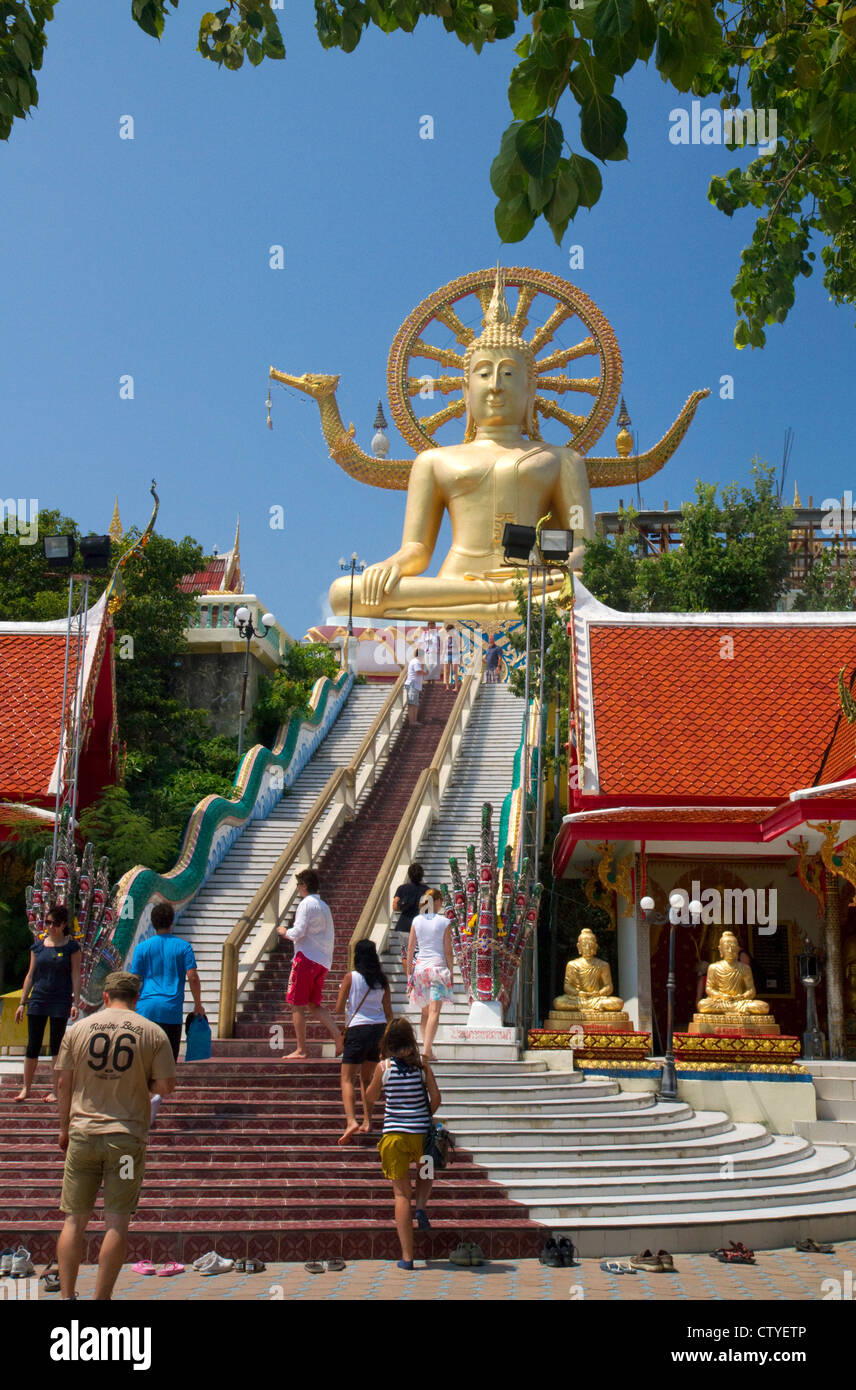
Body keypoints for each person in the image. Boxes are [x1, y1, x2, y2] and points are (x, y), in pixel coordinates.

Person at [54, 970, 176, 1301]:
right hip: (125, 1140)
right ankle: (102, 1298)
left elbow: (63, 1082)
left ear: (105, 996)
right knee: (116, 1222)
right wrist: (141, 1084)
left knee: (73, 1222)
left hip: (82, 1135)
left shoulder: (77, 1030)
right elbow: (165, 1086)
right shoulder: (152, 1033)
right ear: (137, 999)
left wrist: (64, 1127)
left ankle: (66, 1296)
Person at [365, 1017, 442, 1270]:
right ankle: (421, 1207)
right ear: (410, 1041)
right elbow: (437, 1098)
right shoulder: (422, 1067)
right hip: (421, 1134)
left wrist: (363, 1086)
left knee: (400, 1193)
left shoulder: (384, 1067)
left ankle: (408, 1258)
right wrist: (424, 1115)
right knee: (426, 1171)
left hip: (394, 1137)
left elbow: (372, 1097)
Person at [14, 905, 81, 1104]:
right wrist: (22, 1003)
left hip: (60, 999)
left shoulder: (72, 948)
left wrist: (75, 1002)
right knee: (33, 1044)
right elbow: (30, 975)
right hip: (38, 999)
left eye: (55, 923)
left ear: (63, 925)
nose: (51, 927)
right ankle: (26, 1087)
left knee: (56, 1046)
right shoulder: (38, 946)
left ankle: (56, 1089)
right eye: (48, 922)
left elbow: (75, 975)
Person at [277, 868, 344, 1060]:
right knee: (313, 1004)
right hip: (322, 961)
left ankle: (301, 1048)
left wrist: (284, 931)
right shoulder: (323, 905)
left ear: (304, 886)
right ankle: (337, 1036)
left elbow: (298, 932)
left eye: (298, 885)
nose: (298, 889)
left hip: (305, 958)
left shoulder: (306, 904)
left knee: (297, 1004)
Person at [131, 901, 204, 1064]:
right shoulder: (184, 947)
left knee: (144, 1061)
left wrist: (130, 1006)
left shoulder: (142, 948)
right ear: (171, 921)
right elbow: (193, 977)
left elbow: (134, 979)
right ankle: (162, 1091)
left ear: (153, 922)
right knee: (167, 1064)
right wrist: (198, 1005)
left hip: (146, 1010)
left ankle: (146, 1090)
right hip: (171, 1012)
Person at [335, 940, 393, 1145]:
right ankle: (368, 1120)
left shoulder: (352, 977)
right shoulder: (382, 981)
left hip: (358, 1029)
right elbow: (388, 1012)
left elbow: (339, 1007)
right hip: (378, 1029)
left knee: (347, 1078)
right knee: (366, 1079)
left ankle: (351, 1120)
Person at [407, 889, 454, 1061]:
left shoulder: (416, 920)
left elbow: (411, 948)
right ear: (436, 901)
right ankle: (427, 1049)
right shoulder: (444, 922)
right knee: (435, 1011)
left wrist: (409, 971)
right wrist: (451, 971)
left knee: (425, 1012)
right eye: (441, 900)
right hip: (438, 968)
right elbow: (448, 951)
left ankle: (426, 1048)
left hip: (420, 970)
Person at [392, 863, 425, 966]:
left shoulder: (402, 889)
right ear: (421, 875)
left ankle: (409, 980)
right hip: (420, 927)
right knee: (418, 954)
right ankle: (416, 978)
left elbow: (395, 906)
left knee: (405, 954)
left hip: (404, 925)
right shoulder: (427, 890)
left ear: (409, 875)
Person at [404, 652, 424, 725]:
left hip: (415, 685)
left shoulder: (415, 661)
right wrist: (425, 673)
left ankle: (414, 720)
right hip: (413, 684)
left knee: (415, 703)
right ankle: (412, 721)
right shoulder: (416, 662)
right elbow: (418, 671)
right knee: (412, 703)